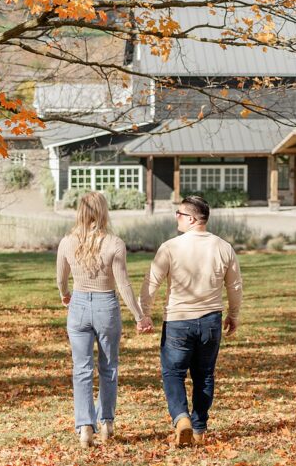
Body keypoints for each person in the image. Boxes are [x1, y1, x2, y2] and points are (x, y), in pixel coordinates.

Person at [138, 195, 243, 447]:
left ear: (193, 218)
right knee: (204, 375)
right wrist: (234, 314)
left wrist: (144, 312)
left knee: (173, 373)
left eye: (180, 213)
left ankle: (181, 418)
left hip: (178, 321)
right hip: (211, 321)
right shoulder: (223, 247)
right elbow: (235, 285)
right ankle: (198, 428)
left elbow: (152, 282)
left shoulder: (171, 247)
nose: (176, 217)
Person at [57, 191, 144, 447]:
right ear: (104, 211)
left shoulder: (67, 242)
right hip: (107, 304)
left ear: (80, 212)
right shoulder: (114, 243)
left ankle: (85, 425)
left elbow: (61, 280)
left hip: (79, 305)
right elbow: (124, 284)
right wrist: (139, 315)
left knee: (81, 369)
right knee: (109, 367)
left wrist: (65, 295)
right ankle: (106, 422)